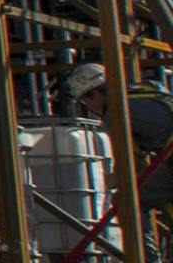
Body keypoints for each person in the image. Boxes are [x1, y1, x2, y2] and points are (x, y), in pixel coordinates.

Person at [66, 62, 173, 204]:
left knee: (124, 199)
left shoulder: (115, 113)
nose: (90, 108)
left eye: (85, 102)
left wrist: (102, 181)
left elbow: (127, 168)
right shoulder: (145, 90)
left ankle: (139, 227)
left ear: (96, 93)